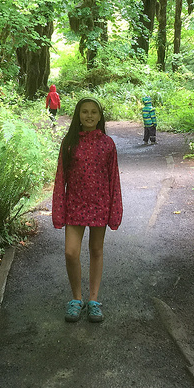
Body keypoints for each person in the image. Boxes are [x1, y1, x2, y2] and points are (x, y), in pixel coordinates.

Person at [52, 97, 123, 323]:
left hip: (100, 204)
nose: (89, 116)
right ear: (78, 115)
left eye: (94, 112)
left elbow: (114, 179)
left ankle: (93, 301)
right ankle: (76, 299)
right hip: (75, 204)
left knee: (96, 251)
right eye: (85, 112)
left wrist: (115, 209)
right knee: (70, 252)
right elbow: (60, 178)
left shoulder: (107, 144)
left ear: (100, 116)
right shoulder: (70, 142)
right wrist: (58, 209)